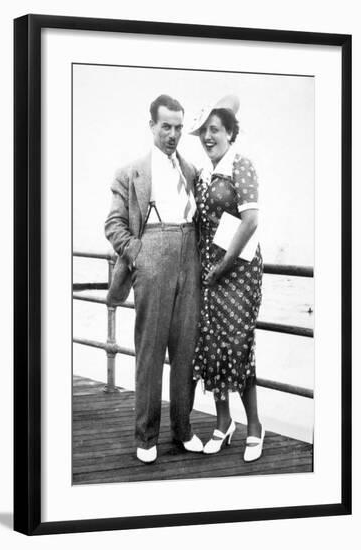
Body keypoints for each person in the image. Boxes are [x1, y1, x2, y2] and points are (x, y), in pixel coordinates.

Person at [105, 94, 203, 464]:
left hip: (188, 254)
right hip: (152, 254)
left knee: (185, 350)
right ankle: (146, 436)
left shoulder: (190, 171)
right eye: (166, 126)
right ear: (152, 126)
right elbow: (113, 225)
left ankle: (183, 429)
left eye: (178, 128)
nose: (173, 134)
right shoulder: (130, 173)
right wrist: (138, 254)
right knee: (150, 351)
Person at [189, 94, 265, 462]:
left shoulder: (241, 165)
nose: (208, 137)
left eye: (215, 129)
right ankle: (223, 422)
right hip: (210, 271)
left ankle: (254, 426)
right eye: (203, 131)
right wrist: (208, 269)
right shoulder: (203, 173)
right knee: (212, 344)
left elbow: (250, 221)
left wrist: (224, 265)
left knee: (237, 344)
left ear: (230, 133)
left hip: (239, 272)